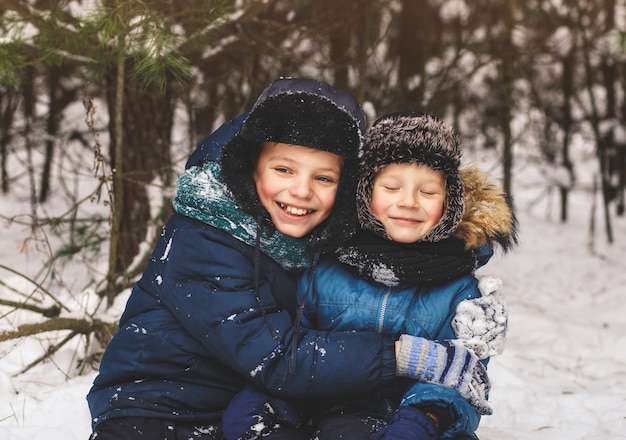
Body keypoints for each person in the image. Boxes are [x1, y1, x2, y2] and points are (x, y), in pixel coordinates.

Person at [86, 78, 496, 440]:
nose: (301, 191)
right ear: (251, 168)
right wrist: (404, 354)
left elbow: (397, 252)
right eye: (284, 170)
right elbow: (279, 357)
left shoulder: (315, 239)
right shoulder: (206, 239)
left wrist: (475, 313)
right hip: (157, 411)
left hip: (241, 407)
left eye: (324, 178)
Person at [223, 111, 518, 440]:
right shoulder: (328, 264)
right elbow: (297, 344)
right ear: (366, 192)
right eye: (391, 187)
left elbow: (464, 377)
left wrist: (426, 416)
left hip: (410, 417)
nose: (408, 202)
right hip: (326, 403)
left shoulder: (460, 290)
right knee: (246, 416)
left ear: (449, 204)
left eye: (428, 192)